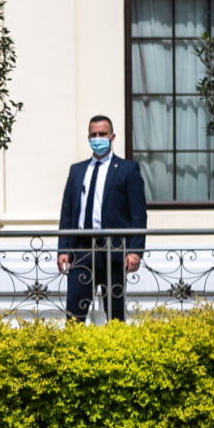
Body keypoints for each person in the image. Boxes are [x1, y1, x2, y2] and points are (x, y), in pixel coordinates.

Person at [56, 115, 148, 322]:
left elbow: (138, 214)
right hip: (81, 250)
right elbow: (67, 212)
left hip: (113, 250)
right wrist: (63, 249)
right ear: (88, 138)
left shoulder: (127, 170)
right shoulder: (77, 170)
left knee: (115, 313)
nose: (98, 139)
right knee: (74, 313)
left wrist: (135, 251)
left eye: (103, 134)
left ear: (112, 137)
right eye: (94, 135)